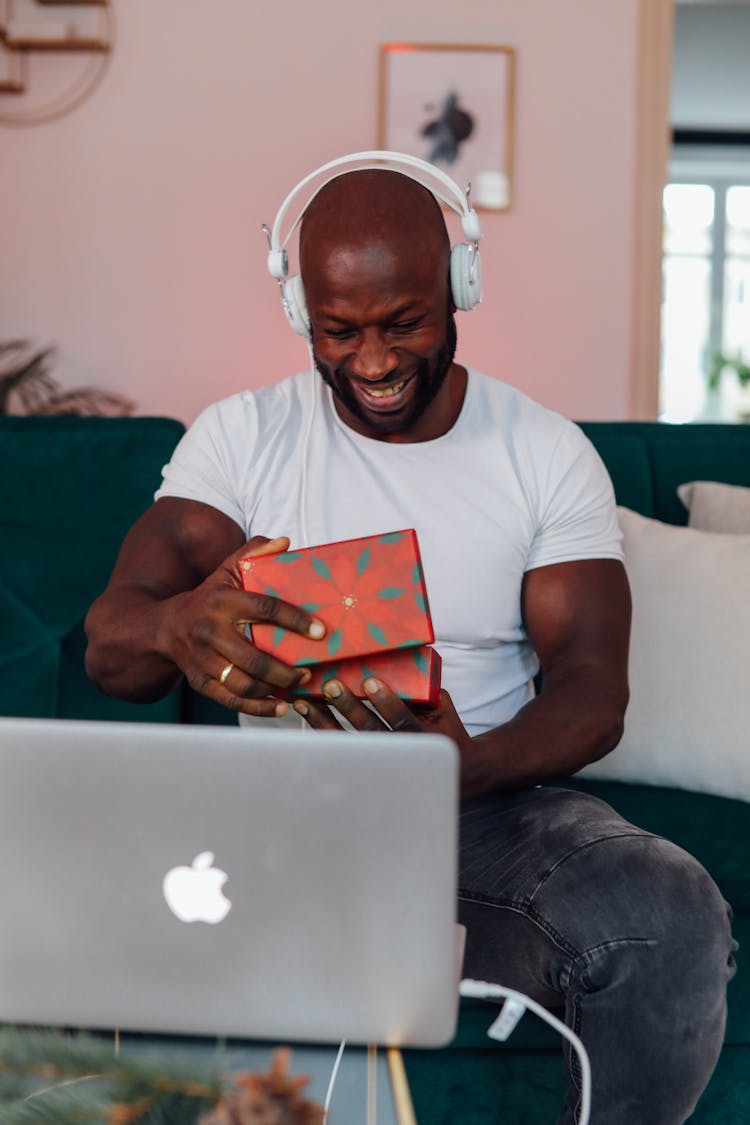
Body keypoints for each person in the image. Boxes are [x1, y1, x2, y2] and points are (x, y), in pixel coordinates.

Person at [85, 153, 736, 1124]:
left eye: (405, 322)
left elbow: (595, 693)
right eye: (341, 330)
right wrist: (181, 627)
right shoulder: (243, 440)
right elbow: (110, 644)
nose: (377, 362)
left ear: (459, 288)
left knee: (666, 911)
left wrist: (456, 767)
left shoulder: (543, 453)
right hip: (276, 821)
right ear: (302, 311)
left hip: (488, 816)